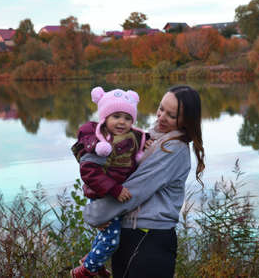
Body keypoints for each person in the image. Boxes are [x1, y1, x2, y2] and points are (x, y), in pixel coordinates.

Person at [81, 85, 205, 278]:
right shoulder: (148, 138)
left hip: (149, 239)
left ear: (185, 121)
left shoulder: (173, 149)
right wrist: (95, 186)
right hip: (130, 235)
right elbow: (115, 171)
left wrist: (95, 214)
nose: (161, 117)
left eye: (171, 115)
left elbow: (134, 190)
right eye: (161, 109)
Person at [70, 86, 147, 278]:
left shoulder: (130, 137)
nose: (122, 122)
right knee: (112, 240)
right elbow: (89, 172)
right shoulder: (100, 142)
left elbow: (140, 143)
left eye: (127, 118)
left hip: (111, 195)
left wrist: (149, 142)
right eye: (116, 116)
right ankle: (85, 271)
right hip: (103, 196)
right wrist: (114, 189)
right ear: (105, 118)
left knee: (106, 234)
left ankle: (93, 262)